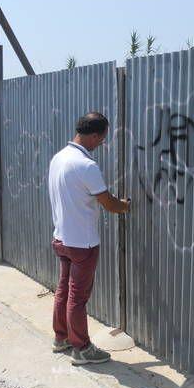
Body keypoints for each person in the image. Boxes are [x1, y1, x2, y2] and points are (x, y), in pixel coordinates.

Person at [48, 112, 130, 365]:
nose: (101, 145)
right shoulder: (87, 165)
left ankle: (61, 338)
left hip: (61, 239)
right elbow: (109, 204)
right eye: (102, 140)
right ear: (94, 135)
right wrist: (127, 205)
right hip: (82, 243)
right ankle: (81, 348)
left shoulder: (59, 158)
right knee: (78, 297)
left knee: (63, 291)